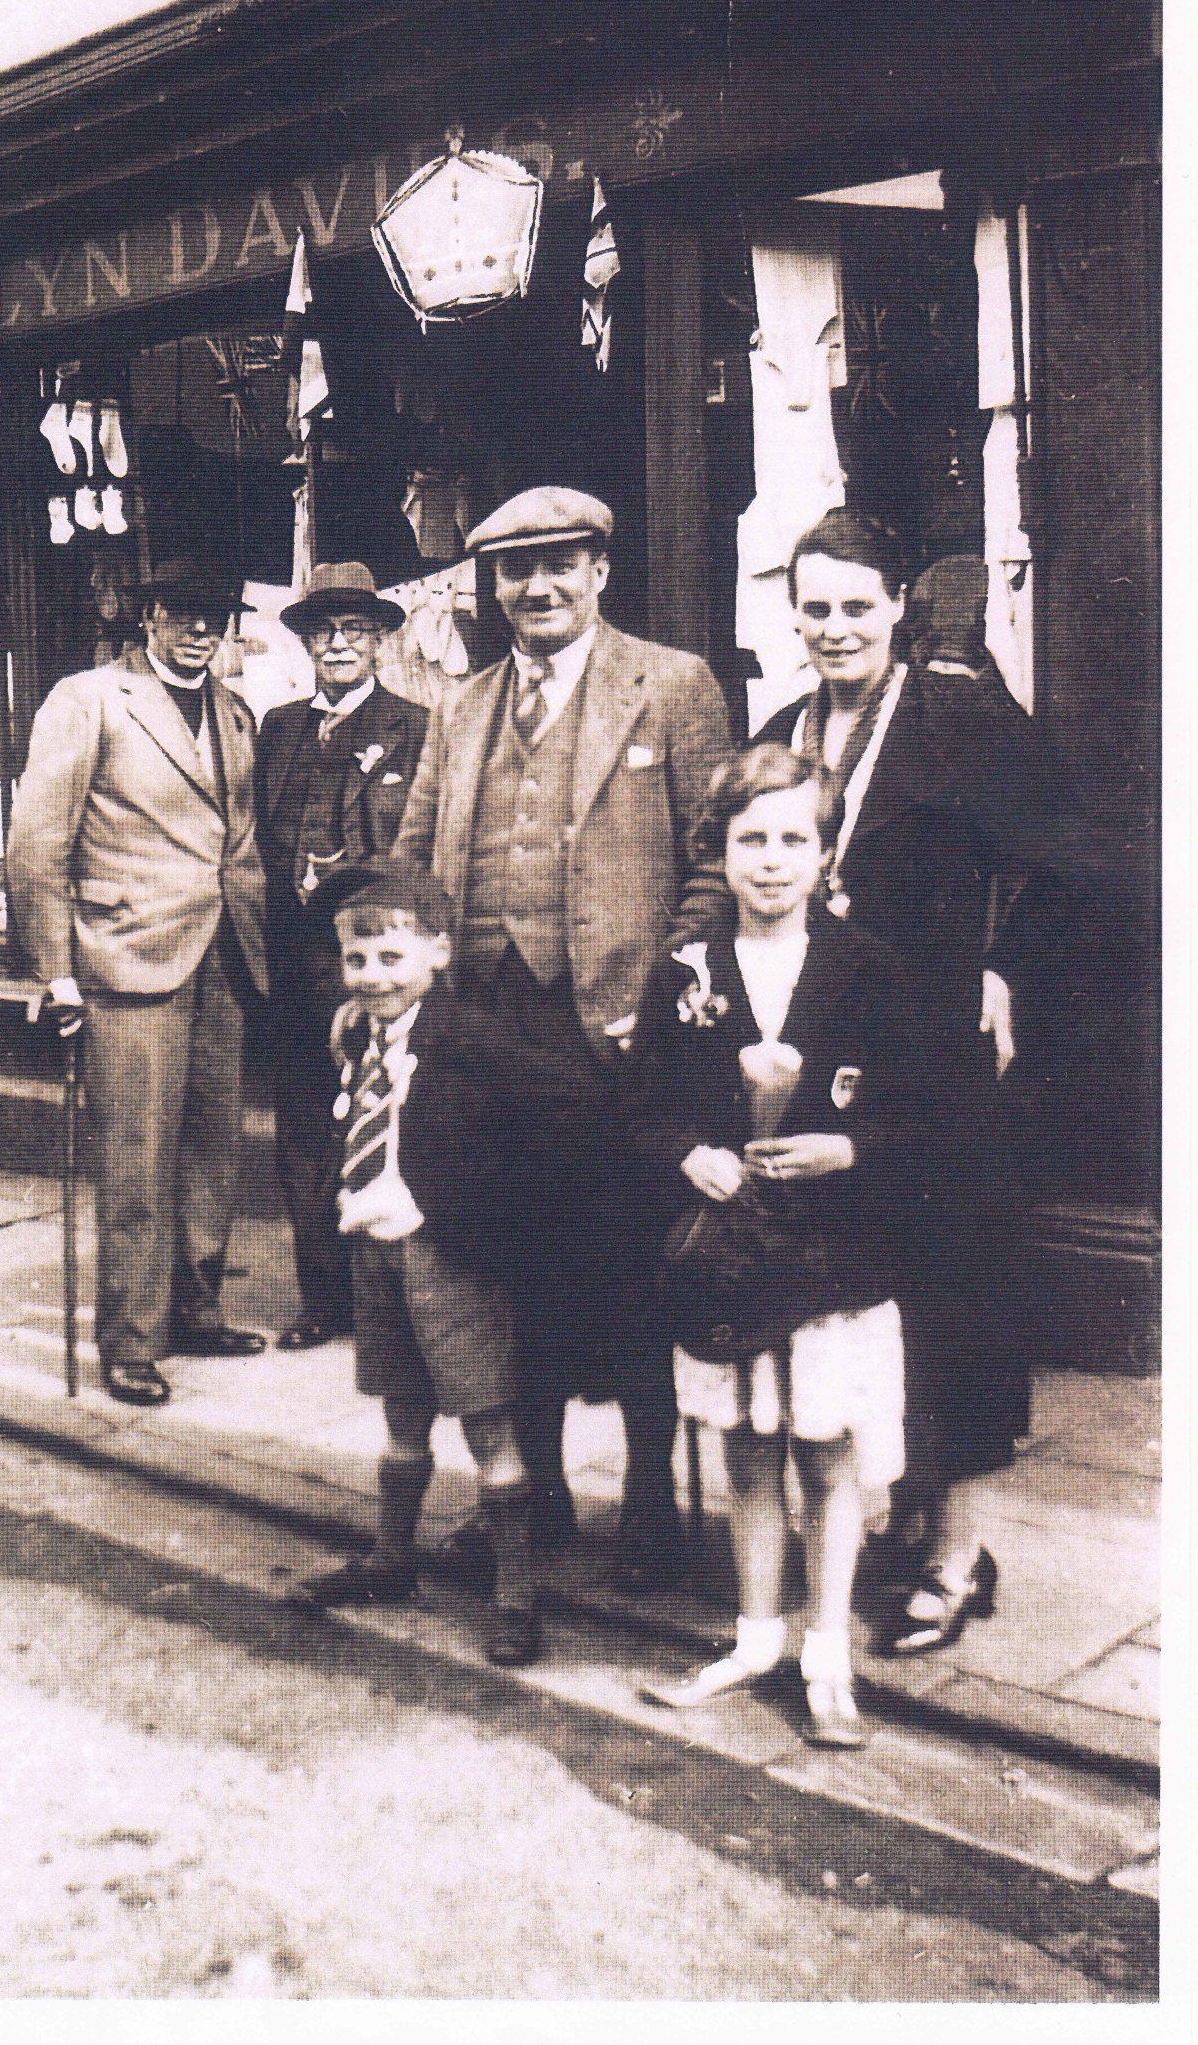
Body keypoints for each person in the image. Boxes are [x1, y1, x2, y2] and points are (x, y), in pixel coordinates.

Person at [391, 485, 732, 1589]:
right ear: (489, 586)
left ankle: (648, 1512)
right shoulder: (461, 702)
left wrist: (668, 976)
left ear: (599, 571)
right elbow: (408, 862)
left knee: (623, 1278)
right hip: (481, 1034)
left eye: (558, 564)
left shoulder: (671, 684)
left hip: (608, 1042)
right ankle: (526, 1501)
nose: (534, 586)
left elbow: (716, 861)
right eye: (512, 569)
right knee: (501, 1272)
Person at [757, 507, 1067, 1654]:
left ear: (896, 607)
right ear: (789, 614)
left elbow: (1066, 855)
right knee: (866, 1298)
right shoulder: (787, 724)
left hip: (941, 1053)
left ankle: (957, 1553)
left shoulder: (957, 714)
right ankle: (886, 1516)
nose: (834, 627)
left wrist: (1001, 966)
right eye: (815, 608)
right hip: (842, 1060)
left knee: (961, 1302)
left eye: (855, 606)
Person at [624, 747, 930, 1745]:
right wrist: (687, 1155)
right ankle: (757, 1634)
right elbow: (642, 1106)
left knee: (826, 1453)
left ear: (823, 853)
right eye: (750, 838)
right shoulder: (686, 971)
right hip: (728, 1258)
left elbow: (927, 1115)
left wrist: (848, 1144)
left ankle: (826, 1650)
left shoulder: (868, 968)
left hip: (831, 1261)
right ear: (717, 849)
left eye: (792, 838)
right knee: (748, 1448)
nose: (770, 860)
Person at [286, 863, 610, 1667]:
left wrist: (469, 1203)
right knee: (401, 1415)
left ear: (438, 952)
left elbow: (571, 1106)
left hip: (445, 1257)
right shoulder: (357, 1032)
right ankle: (390, 1559)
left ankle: (515, 1595)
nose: (372, 977)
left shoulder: (470, 1036)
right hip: (375, 1248)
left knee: (488, 1426)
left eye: (392, 958)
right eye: (357, 961)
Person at [7, 552, 271, 1409]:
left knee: (210, 1153)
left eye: (215, 617)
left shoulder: (235, 712)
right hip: (125, 960)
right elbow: (36, 844)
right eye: (184, 614)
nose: (201, 631)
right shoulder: (88, 699)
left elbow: (236, 840)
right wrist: (56, 972)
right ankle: (129, 1338)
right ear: (148, 616)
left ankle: (195, 1307)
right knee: (136, 1162)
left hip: (223, 955)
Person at [256, 560, 430, 1349]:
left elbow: (423, 851)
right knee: (303, 1136)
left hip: (377, 968)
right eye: (322, 630)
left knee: (384, 1122)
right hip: (293, 974)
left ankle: (386, 1305)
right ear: (305, 643)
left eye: (353, 630)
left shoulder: (417, 726)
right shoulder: (279, 728)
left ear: (379, 641)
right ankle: (321, 1297)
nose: (337, 644)